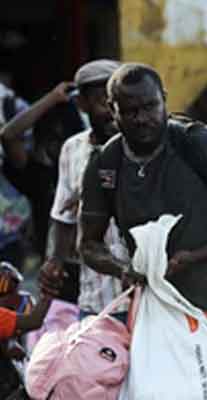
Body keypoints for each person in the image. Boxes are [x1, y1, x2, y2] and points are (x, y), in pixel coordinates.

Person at [79, 63, 207, 398]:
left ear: (164, 99)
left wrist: (198, 255)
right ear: (112, 110)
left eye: (150, 106)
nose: (142, 118)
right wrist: (122, 268)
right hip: (153, 311)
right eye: (131, 111)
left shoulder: (196, 143)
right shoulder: (105, 163)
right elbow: (88, 245)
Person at [38, 60, 125, 321]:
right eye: (102, 102)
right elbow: (63, 215)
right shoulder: (73, 149)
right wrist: (55, 261)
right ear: (82, 104)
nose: (112, 111)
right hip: (96, 299)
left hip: (145, 299)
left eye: (117, 101)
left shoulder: (145, 147)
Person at [1, 82, 84, 257]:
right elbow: (8, 135)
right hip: (51, 266)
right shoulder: (38, 176)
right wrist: (52, 98)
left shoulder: (87, 170)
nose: (57, 146)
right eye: (51, 138)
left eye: (61, 138)